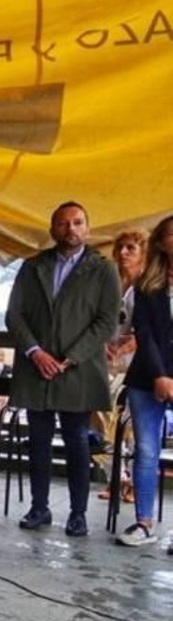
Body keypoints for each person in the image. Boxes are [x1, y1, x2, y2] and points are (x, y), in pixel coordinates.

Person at [7, 201, 120, 537]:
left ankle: (78, 514)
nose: (71, 229)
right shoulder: (33, 266)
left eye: (78, 222)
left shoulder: (103, 269)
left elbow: (106, 321)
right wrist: (35, 352)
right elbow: (15, 315)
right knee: (38, 441)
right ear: (52, 228)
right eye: (63, 223)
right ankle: (38, 508)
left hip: (78, 369)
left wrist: (70, 357)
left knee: (77, 443)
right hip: (35, 368)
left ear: (87, 227)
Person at [115, 215, 173, 549]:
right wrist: (160, 375)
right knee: (147, 451)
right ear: (161, 243)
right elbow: (145, 334)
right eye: (169, 235)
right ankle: (143, 522)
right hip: (146, 377)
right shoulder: (147, 285)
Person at [97, 229, 147, 499]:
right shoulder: (108, 284)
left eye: (131, 248)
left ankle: (137, 483)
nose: (124, 253)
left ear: (143, 254)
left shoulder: (150, 286)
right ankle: (115, 478)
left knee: (133, 424)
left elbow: (156, 327)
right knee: (101, 419)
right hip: (105, 361)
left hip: (137, 365)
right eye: (120, 248)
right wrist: (102, 344)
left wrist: (132, 342)